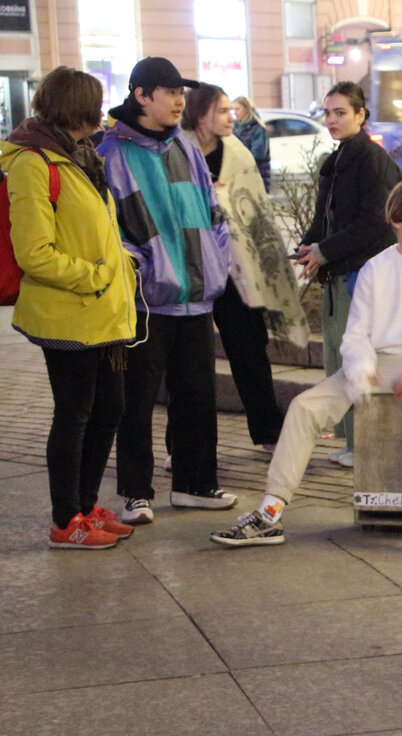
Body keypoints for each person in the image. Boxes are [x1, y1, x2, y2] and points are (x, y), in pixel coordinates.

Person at [211, 181, 402, 556]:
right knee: (305, 408)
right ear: (395, 221)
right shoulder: (376, 268)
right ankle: (270, 512)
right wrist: (361, 367)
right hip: (382, 362)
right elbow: (355, 335)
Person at [2, 67, 138, 548]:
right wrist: (97, 277)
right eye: (95, 102)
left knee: (110, 408)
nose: (102, 111)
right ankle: (66, 521)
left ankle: (84, 506)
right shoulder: (33, 163)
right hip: (70, 311)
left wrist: (118, 268)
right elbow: (33, 252)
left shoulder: (81, 156)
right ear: (75, 108)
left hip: (103, 312)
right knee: (75, 413)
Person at [98, 56, 237, 525]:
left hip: (198, 295)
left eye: (182, 91)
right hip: (145, 302)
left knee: (197, 395)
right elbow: (107, 229)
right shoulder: (112, 152)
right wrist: (140, 267)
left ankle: (195, 484)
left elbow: (212, 211)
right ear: (141, 95)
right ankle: (136, 493)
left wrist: (217, 262)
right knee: (134, 401)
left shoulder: (186, 147)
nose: (180, 100)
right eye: (170, 91)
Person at [180, 84, 309, 450]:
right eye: (222, 110)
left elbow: (254, 207)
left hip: (238, 271)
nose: (231, 116)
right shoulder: (177, 150)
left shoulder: (236, 151)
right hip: (192, 271)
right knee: (190, 366)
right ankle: (185, 447)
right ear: (201, 113)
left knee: (250, 352)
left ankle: (268, 431)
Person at [294, 82, 402, 469]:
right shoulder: (336, 159)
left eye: (341, 112)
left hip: (363, 274)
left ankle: (364, 444)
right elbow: (324, 219)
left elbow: (376, 221)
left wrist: (323, 251)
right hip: (340, 273)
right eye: (327, 112)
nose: (332, 120)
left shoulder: (371, 159)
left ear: (361, 115)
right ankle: (352, 442)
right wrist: (310, 248)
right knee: (341, 358)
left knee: (357, 358)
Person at [232, 95, 271, 191]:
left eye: (238, 109)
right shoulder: (235, 127)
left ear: (246, 109)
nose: (235, 113)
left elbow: (257, 153)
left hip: (256, 173)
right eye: (234, 110)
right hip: (239, 174)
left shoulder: (257, 128)